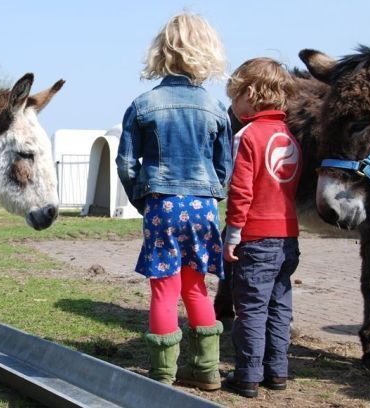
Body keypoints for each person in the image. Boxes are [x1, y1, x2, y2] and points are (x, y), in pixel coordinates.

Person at [115, 12, 232, 390]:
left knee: (164, 288)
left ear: (161, 52)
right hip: (202, 207)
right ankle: (207, 371)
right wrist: (209, 198)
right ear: (207, 52)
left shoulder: (143, 104)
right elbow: (223, 166)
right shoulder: (216, 108)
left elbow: (126, 163)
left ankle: (163, 374)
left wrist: (142, 200)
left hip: (162, 205)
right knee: (195, 287)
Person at [221, 57, 300, 398]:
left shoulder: (248, 135)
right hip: (288, 237)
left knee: (251, 307)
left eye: (234, 96)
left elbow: (241, 191)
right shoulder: (289, 137)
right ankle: (278, 371)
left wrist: (233, 234)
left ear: (250, 94)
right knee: (279, 306)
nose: (232, 105)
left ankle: (248, 375)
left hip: (255, 237)